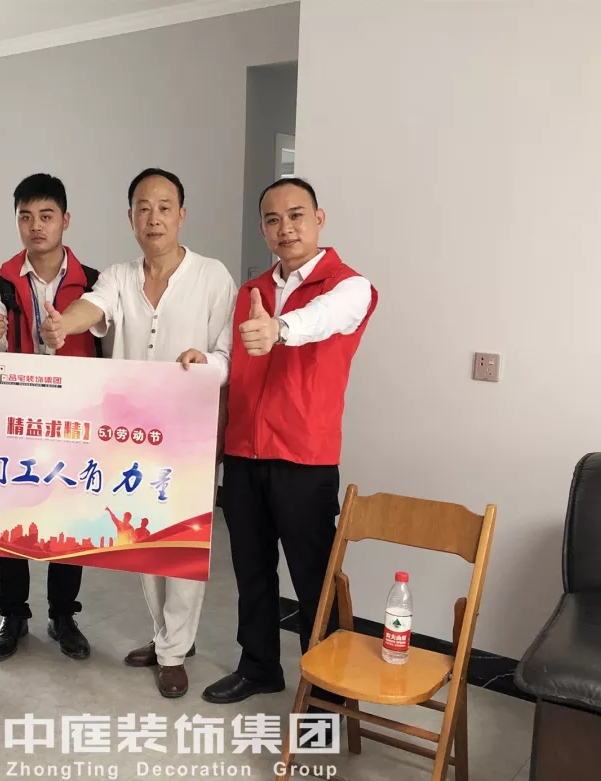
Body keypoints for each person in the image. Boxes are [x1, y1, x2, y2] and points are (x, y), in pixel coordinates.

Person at [39, 168, 236, 698]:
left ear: (182, 215)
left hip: (189, 433)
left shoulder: (213, 277)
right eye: (143, 208)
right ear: (130, 218)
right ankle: (166, 636)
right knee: (144, 538)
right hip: (130, 436)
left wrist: (207, 363)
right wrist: (62, 323)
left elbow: (227, 354)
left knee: (183, 544)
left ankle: (174, 651)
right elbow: (94, 307)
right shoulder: (120, 276)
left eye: (164, 207)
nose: (154, 218)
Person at [203, 177, 377, 719]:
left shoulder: (349, 287)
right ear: (263, 228)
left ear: (319, 219)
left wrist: (278, 328)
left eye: (296, 215)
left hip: (305, 459)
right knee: (251, 570)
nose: (286, 228)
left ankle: (328, 695)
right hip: (244, 455)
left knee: (314, 580)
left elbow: (322, 320)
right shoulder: (251, 290)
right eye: (273, 219)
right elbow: (231, 357)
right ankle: (259, 666)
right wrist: (203, 364)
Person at [0, 173, 99, 663]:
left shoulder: (94, 282)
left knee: (70, 516)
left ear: (66, 220)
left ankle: (63, 615)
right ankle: (13, 615)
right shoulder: (1, 282)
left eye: (46, 216)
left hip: (75, 419)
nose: (36, 226)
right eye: (25, 217)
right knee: (12, 519)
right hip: (15, 418)